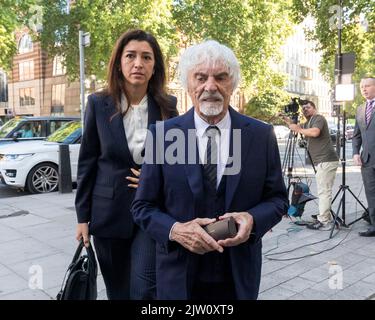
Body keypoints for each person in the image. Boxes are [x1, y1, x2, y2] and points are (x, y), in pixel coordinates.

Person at [131, 40, 288, 300]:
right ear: (188, 84)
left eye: (220, 77)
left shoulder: (260, 135)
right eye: (201, 77)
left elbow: (278, 199)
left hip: (238, 275)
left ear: (233, 84)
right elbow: (142, 207)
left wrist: (252, 220)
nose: (210, 86)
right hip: (178, 276)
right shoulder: (163, 135)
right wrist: (175, 230)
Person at [75, 29, 178, 300]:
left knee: (144, 289)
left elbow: (177, 162)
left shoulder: (168, 106)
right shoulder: (98, 104)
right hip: (108, 214)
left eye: (146, 57)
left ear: (155, 66)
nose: (138, 64)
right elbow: (87, 162)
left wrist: (151, 175)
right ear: (119, 62)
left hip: (151, 212)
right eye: (130, 56)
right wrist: (82, 218)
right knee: (117, 291)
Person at [282, 100, 339, 230]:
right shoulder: (308, 122)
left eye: (308, 107)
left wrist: (298, 129)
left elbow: (314, 132)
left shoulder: (318, 118)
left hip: (326, 160)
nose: (305, 110)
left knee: (324, 191)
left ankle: (324, 221)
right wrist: (287, 120)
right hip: (322, 161)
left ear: (314, 108)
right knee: (323, 190)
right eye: (303, 108)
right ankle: (325, 215)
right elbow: (296, 127)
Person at [353, 76, 375, 237]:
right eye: (362, 87)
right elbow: (357, 135)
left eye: (367, 85)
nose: (364, 89)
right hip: (367, 160)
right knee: (371, 194)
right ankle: (374, 226)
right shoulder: (360, 109)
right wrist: (355, 152)